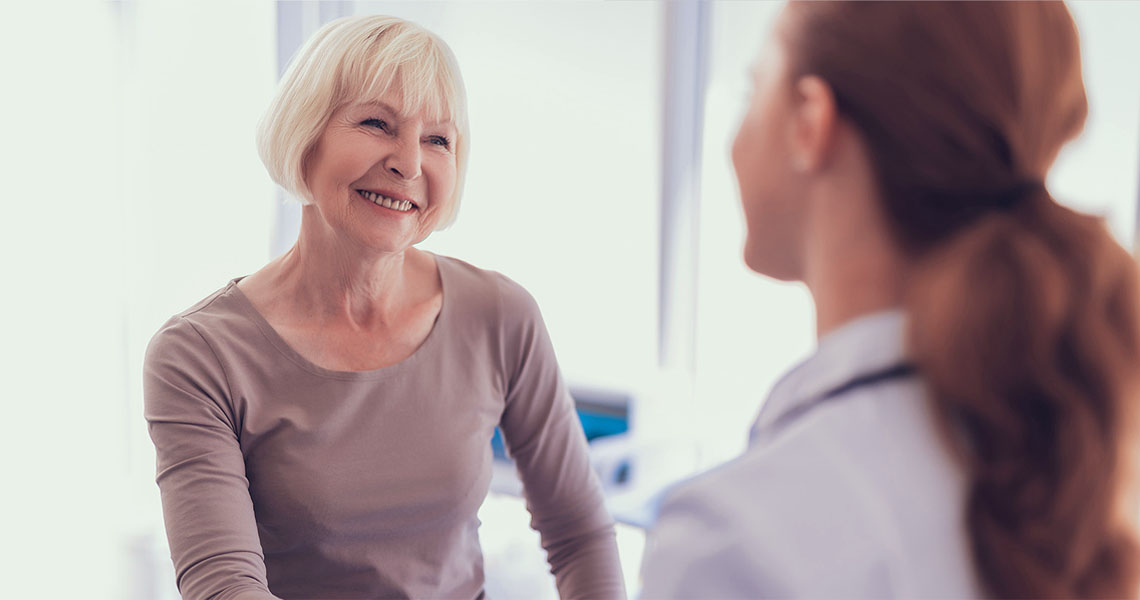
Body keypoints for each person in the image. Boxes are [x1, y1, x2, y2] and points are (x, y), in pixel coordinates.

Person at [641, 2, 1140, 598]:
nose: (735, 134)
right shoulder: (1068, 478)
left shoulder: (736, 542)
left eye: (755, 86)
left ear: (810, 121)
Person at [144, 15, 625, 600]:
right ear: (306, 135)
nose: (410, 164)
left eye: (437, 139)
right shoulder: (200, 356)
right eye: (377, 123)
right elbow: (225, 587)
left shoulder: (500, 315)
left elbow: (580, 534)